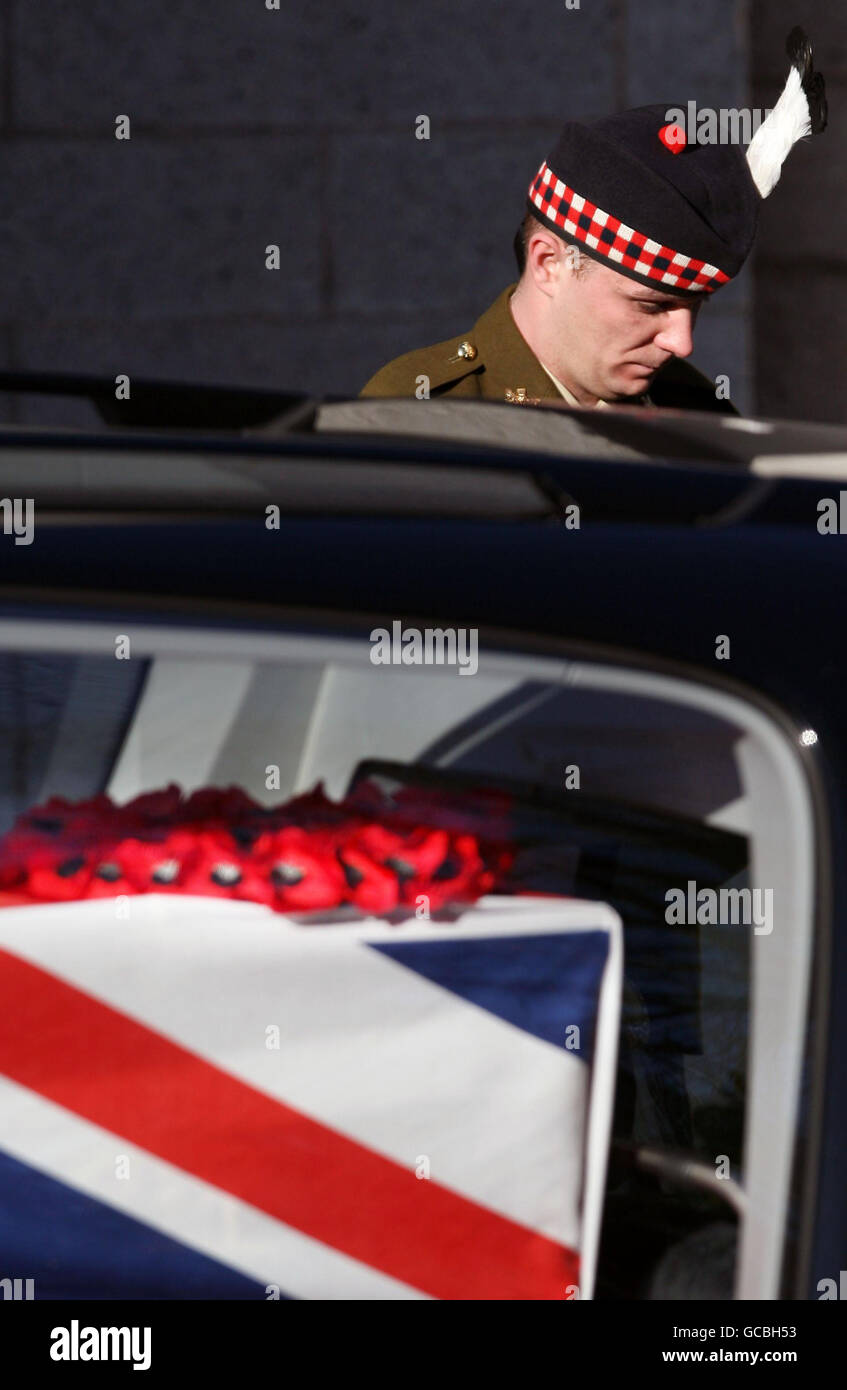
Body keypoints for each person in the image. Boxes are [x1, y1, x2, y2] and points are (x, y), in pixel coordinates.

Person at [361, 28, 826, 415]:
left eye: (696, 305)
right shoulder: (420, 413)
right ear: (548, 263)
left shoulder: (700, 414)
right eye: (651, 305)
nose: (681, 343)